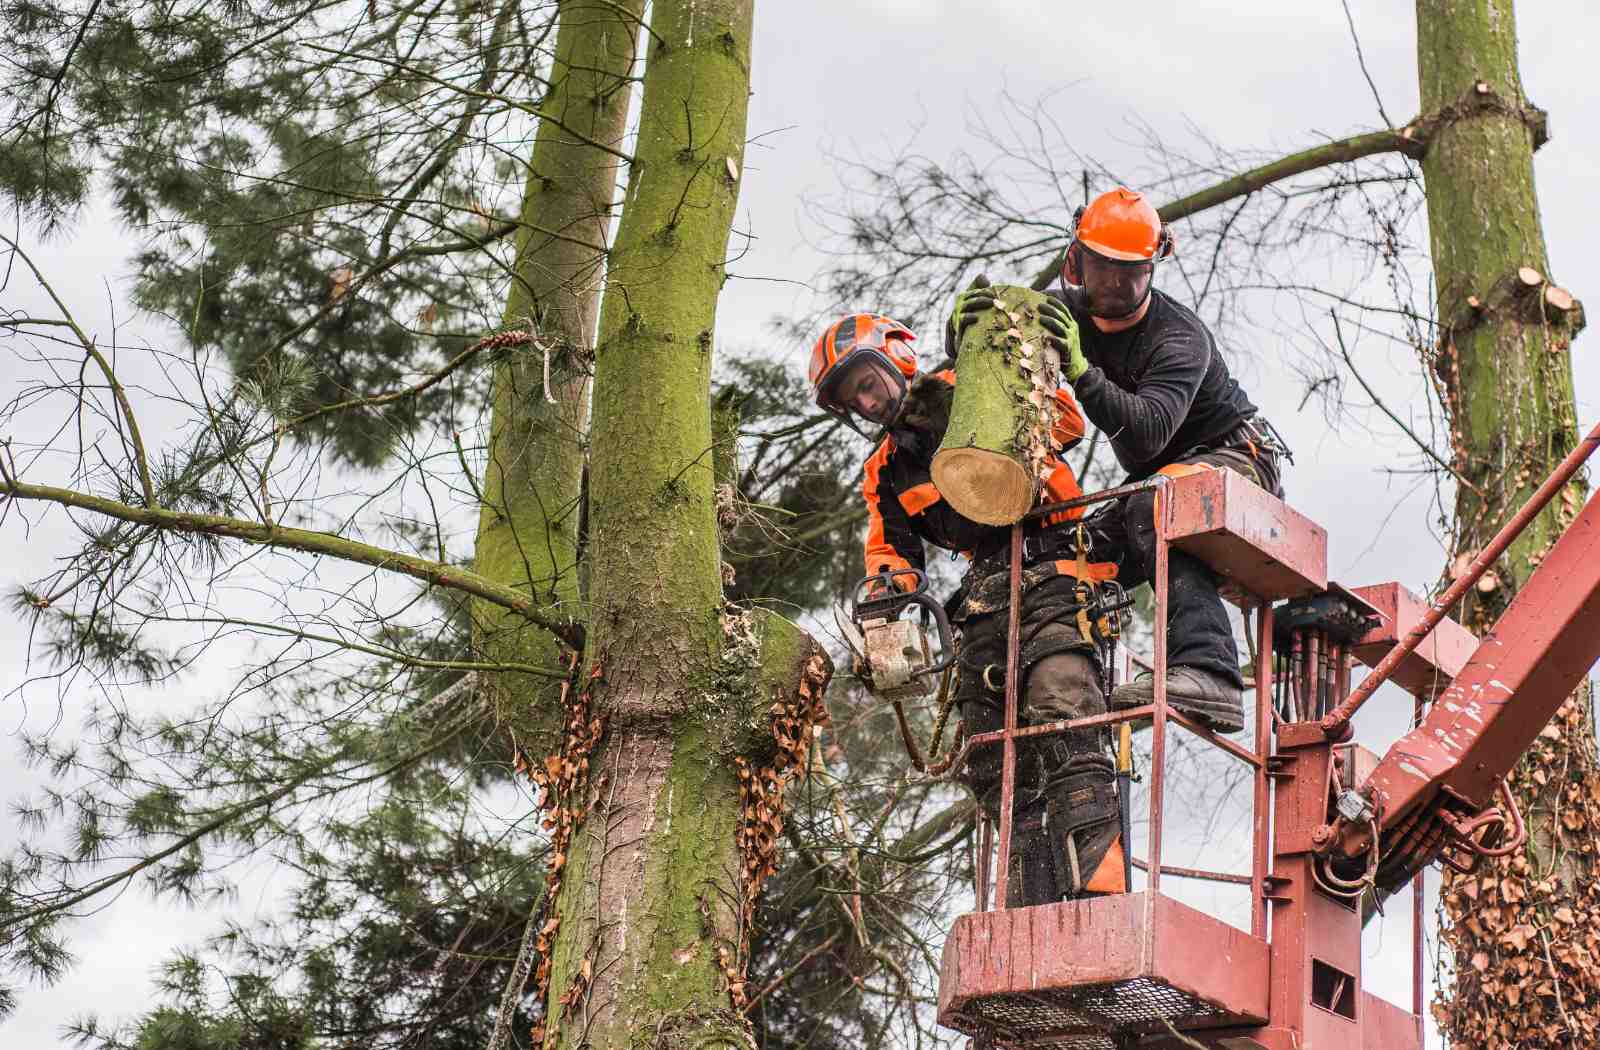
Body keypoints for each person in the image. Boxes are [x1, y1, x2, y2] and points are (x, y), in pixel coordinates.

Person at [809, 312, 1126, 906]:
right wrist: (883, 605)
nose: (868, 402)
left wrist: (1006, 387)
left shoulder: (969, 384)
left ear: (897, 360)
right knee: (990, 755)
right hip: (982, 591)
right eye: (855, 399)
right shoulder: (885, 470)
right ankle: (1029, 907)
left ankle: (1100, 897)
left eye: (869, 384)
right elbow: (891, 552)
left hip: (1055, 558)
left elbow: (1067, 420)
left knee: (1063, 709)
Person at [951, 187, 1289, 734]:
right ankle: (1065, 703)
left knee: (1155, 504)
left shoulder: (1179, 338)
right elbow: (1001, 352)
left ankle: (1210, 672)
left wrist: (1084, 374)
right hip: (1156, 482)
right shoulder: (1065, 311)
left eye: (1127, 273)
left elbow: (1145, 440)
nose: (1112, 283)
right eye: (1101, 268)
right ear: (1076, 260)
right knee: (1057, 550)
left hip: (1236, 458)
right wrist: (964, 331)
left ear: (1152, 269)